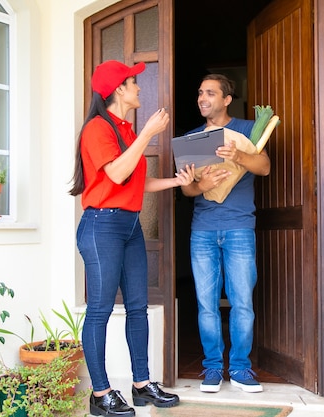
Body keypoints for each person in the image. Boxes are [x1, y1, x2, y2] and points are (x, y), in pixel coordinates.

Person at [70, 60, 193, 417]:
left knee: (137, 307)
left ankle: (142, 385)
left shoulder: (125, 128)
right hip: (101, 227)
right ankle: (101, 394)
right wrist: (148, 135)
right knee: (100, 311)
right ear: (118, 89)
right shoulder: (97, 128)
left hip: (129, 225)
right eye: (134, 82)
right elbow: (118, 172)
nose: (140, 87)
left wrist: (176, 182)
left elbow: (136, 183)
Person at [180, 74, 271, 393]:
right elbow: (188, 189)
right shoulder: (191, 138)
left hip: (239, 228)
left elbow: (264, 167)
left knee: (241, 302)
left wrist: (238, 156)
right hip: (202, 230)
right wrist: (198, 186)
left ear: (227, 99)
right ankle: (212, 369)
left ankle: (242, 368)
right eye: (200, 92)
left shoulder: (247, 129)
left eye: (210, 93)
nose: (202, 98)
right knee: (206, 304)